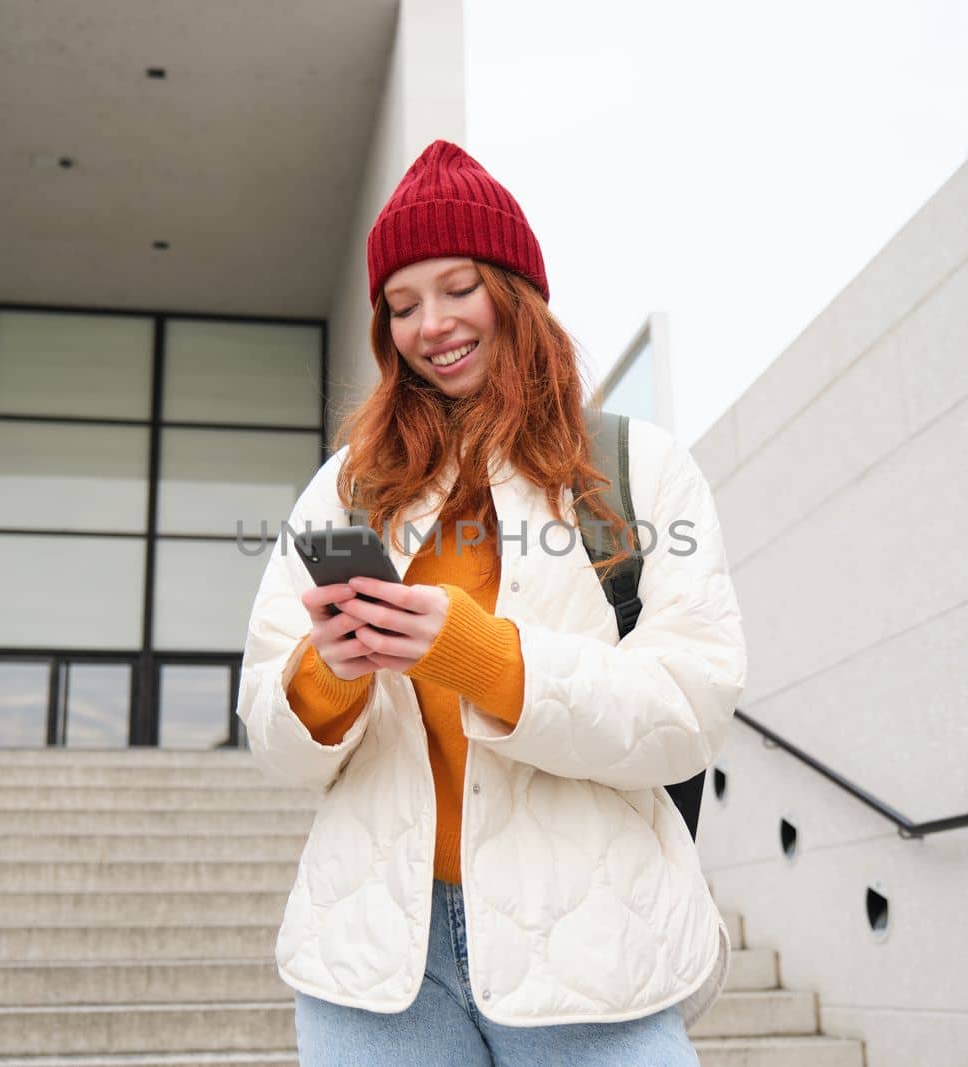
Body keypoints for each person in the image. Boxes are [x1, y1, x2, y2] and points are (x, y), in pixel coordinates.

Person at [237, 139, 747, 1066]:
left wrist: (486, 658)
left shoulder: (637, 470)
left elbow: (692, 707)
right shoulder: (344, 487)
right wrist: (328, 674)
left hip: (594, 951)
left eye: (458, 286)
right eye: (401, 304)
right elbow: (271, 732)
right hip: (376, 968)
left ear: (514, 289)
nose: (431, 324)